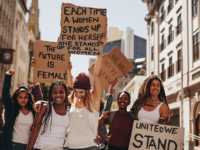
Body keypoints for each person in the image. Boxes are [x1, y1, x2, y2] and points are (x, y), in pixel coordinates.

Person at [26, 59, 72, 150]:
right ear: (50, 94)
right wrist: (35, 68)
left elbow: (70, 87)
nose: (58, 95)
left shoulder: (69, 108)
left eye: (61, 92)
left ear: (66, 94)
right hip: (40, 148)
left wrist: (69, 70)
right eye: (54, 92)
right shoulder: (44, 108)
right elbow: (35, 131)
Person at [0, 69, 42, 150]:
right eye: (20, 97)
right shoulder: (11, 108)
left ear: (28, 98)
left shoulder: (33, 110)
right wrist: (8, 77)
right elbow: (5, 94)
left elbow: (39, 97)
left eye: (25, 97)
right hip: (13, 145)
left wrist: (35, 68)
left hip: (29, 146)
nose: (23, 100)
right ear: (16, 98)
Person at [99, 79, 117, 150]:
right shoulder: (86, 112)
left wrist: (111, 85)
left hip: (103, 143)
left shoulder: (104, 113)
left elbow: (109, 100)